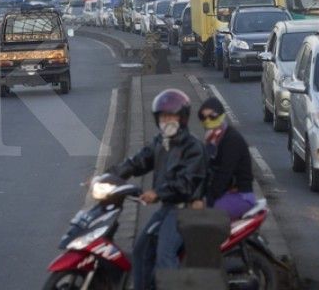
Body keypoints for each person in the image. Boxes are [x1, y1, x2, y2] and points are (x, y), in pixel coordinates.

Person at [106, 89, 207, 290]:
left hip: (185, 210)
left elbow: (186, 184)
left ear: (182, 118)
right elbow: (138, 161)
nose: (166, 120)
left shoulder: (193, 147)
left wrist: (158, 193)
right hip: (168, 209)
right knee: (140, 250)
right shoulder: (161, 142)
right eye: (162, 116)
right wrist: (110, 176)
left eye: (171, 116)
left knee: (165, 255)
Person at [197, 97, 255, 221]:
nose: (208, 121)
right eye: (203, 118)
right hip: (225, 193)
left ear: (221, 116)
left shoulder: (231, 140)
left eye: (212, 116)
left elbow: (224, 173)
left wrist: (209, 200)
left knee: (205, 219)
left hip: (240, 195)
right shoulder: (212, 139)